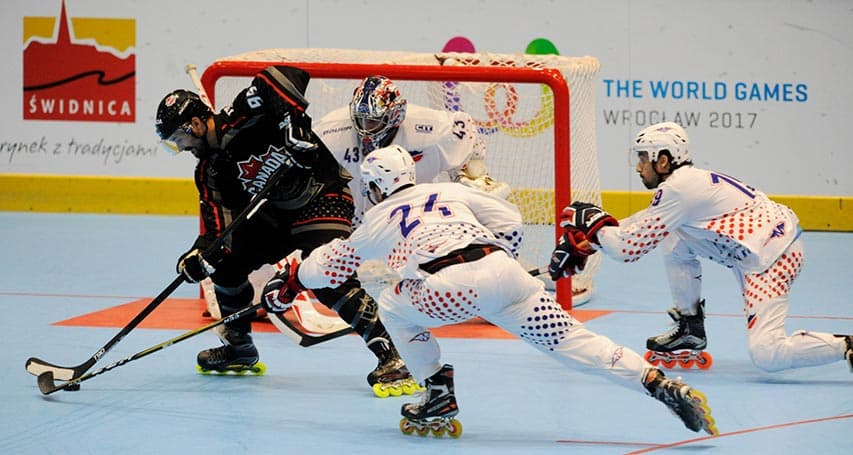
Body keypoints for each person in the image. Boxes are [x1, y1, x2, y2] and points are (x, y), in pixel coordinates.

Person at [261, 144, 718, 437]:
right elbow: (510, 220)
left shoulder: (381, 217)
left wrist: (291, 282)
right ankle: (656, 382)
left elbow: (333, 263)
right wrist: (507, 257)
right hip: (506, 275)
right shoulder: (448, 192)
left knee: (391, 304)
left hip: (449, 287)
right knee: (577, 344)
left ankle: (437, 390)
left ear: (377, 185)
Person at [153, 65, 418, 394]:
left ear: (195, 123)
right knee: (225, 266)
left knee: (325, 273)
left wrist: (292, 123)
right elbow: (219, 231)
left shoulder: (242, 114)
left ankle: (392, 356)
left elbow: (285, 74)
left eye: (179, 139)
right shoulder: (210, 171)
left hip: (324, 194)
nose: (183, 148)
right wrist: (198, 256)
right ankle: (239, 349)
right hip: (277, 212)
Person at [548, 121, 852, 373]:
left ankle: (846, 347)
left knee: (767, 354)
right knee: (673, 235)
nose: (639, 166)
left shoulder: (679, 190)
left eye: (644, 158)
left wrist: (596, 227)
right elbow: (645, 223)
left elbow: (629, 248)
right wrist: (591, 242)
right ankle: (690, 328)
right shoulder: (685, 184)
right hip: (767, 244)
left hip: (772, 259)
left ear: (663, 160)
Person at [313, 75, 510, 227]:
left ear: (395, 115)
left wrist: (470, 176)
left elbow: (469, 137)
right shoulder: (329, 131)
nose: (364, 129)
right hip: (350, 218)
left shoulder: (434, 129)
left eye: (373, 121)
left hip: (411, 220)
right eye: (359, 119)